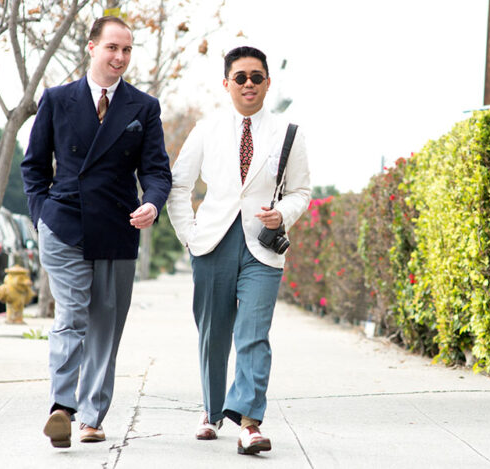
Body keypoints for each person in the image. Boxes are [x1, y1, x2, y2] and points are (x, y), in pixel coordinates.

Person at [21, 16, 172, 448]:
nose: (120, 57)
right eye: (112, 48)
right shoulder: (57, 99)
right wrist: (42, 215)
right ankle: (62, 407)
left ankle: (91, 417)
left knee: (106, 327)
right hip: (64, 224)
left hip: (118, 226)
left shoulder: (144, 107)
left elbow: (157, 171)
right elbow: (34, 167)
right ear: (91, 47)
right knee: (71, 316)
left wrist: (152, 203)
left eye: (127, 50)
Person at [167, 46, 310, 455]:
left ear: (268, 82)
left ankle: (249, 423)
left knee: (253, 334)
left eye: (256, 77)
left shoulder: (289, 133)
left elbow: (301, 191)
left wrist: (282, 214)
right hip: (212, 243)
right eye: (241, 77)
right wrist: (189, 235)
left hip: (263, 247)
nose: (249, 84)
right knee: (213, 335)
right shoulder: (206, 129)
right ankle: (212, 411)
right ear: (226, 83)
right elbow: (179, 185)